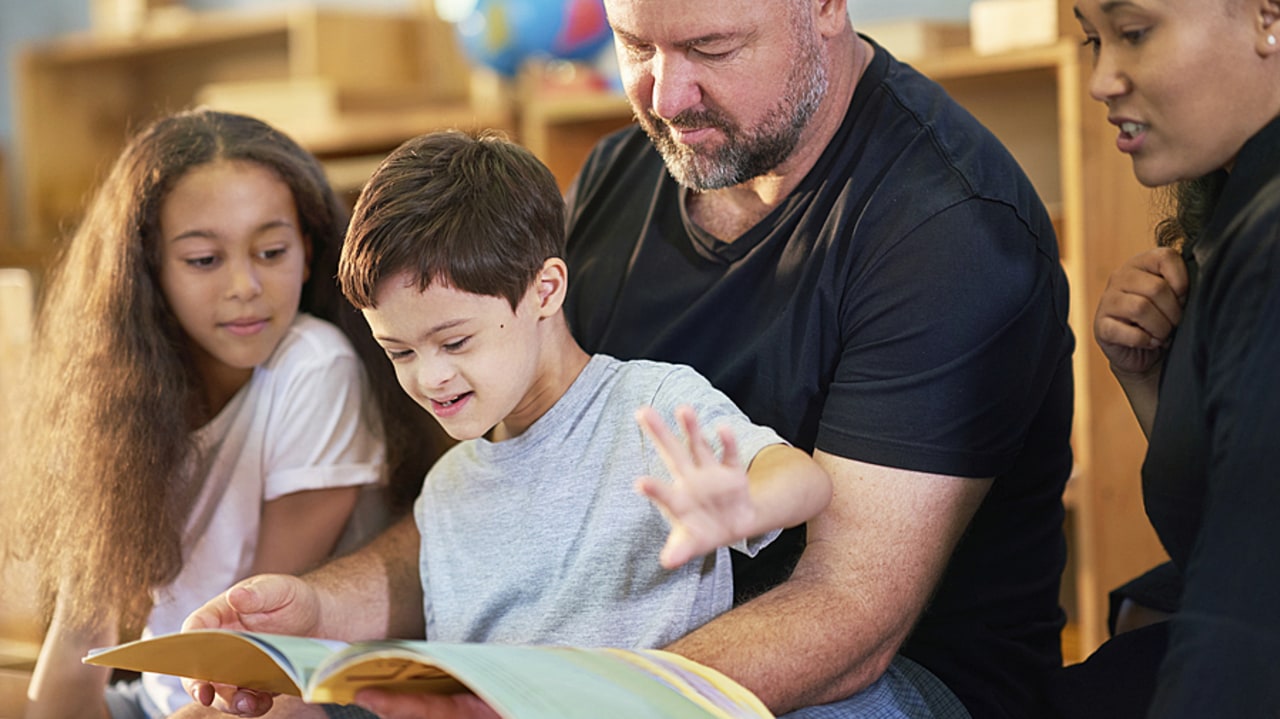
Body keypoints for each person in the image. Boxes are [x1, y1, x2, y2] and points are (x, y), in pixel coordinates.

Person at [186, 0, 1076, 716]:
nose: (667, 94)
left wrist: (549, 695)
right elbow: (507, 503)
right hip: (608, 657)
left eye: (712, 47)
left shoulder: (945, 231)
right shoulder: (625, 172)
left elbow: (850, 618)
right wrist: (318, 615)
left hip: (876, 682)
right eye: (633, 44)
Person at [178, 129, 832, 719]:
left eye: (454, 342)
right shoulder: (449, 487)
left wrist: (746, 503)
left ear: (546, 290)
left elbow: (802, 482)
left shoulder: (650, 405)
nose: (429, 378)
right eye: (400, 351)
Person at [0, 108, 440, 719]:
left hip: (286, 690)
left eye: (271, 251)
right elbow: (75, 648)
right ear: (149, 270)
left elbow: (252, 654)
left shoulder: (314, 367)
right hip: (167, 696)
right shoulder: (116, 399)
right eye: (205, 260)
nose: (244, 285)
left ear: (308, 253)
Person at [1046, 0, 1280, 716]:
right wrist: (1153, 381)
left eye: (1134, 34)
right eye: (1092, 40)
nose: (1101, 80)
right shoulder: (1233, 217)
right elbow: (1230, 518)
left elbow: (1245, 620)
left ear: (1269, 18)